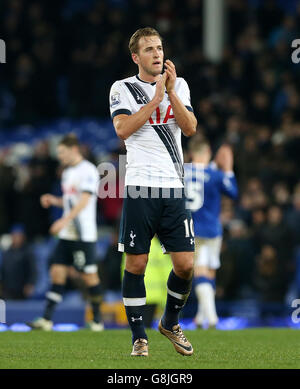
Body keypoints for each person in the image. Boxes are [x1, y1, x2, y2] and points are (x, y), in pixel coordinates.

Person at [109, 27, 197, 356]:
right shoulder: (123, 88)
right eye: (149, 49)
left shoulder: (181, 85)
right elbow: (123, 130)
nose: (157, 54)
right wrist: (155, 99)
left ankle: (170, 322)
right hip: (140, 187)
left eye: (159, 48)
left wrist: (171, 93)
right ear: (136, 57)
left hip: (174, 186)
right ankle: (138, 337)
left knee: (186, 264)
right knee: (136, 264)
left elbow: (189, 128)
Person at [27, 134, 104, 331]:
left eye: (62, 152)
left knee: (89, 276)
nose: (59, 156)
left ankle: (97, 320)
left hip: (82, 234)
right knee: (57, 271)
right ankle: (46, 319)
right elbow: (71, 202)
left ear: (74, 150)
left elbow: (85, 201)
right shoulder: (68, 172)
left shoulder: (88, 170)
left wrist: (63, 220)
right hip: (67, 234)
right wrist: (55, 201)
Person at [185, 140, 238, 328]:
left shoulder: (182, 172)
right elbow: (233, 192)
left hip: (190, 227)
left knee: (199, 271)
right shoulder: (215, 175)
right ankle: (206, 317)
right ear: (207, 152)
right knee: (209, 270)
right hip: (213, 230)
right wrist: (229, 169)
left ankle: (209, 317)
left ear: (191, 154)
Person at [0, 224, 37, 300]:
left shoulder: (28, 253)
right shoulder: (6, 253)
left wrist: (30, 284)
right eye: (15, 235)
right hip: (6, 290)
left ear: (23, 237)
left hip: (22, 290)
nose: (17, 238)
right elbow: (3, 270)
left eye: (19, 235)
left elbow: (33, 270)